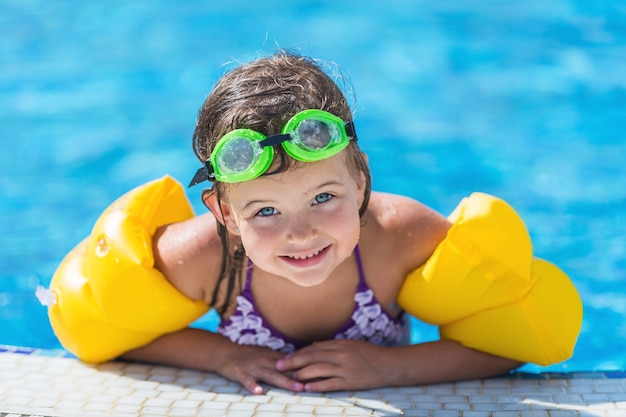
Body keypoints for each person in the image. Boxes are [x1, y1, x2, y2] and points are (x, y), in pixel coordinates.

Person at [121, 51, 523, 394]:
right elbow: (112, 332)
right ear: (225, 214)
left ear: (361, 179)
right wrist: (221, 356)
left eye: (323, 198)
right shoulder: (203, 258)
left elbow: (515, 340)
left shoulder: (404, 237)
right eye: (265, 211)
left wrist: (390, 368)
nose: (301, 233)